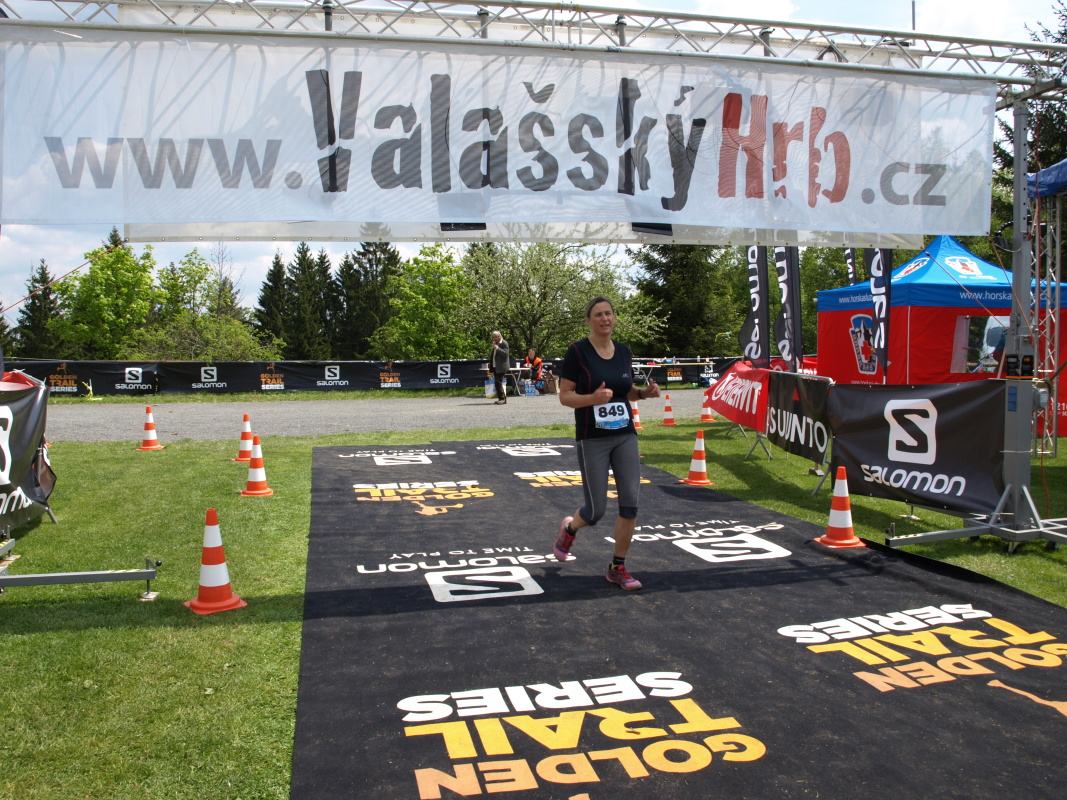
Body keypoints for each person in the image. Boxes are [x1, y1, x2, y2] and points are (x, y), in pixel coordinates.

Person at [551, 296, 660, 591]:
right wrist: (592, 399)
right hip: (592, 438)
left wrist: (644, 393)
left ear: (614, 317)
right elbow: (565, 396)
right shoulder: (577, 351)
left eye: (608, 313)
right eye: (598, 314)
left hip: (625, 435)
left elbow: (625, 391)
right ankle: (570, 528)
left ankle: (617, 567)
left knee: (630, 505)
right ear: (588, 321)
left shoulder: (624, 351)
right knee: (595, 511)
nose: (604, 319)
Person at [490, 331, 510, 404]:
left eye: (495, 337)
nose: (494, 339)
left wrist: (497, 348)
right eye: (493, 337)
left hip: (502, 366)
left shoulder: (504, 343)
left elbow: (506, 354)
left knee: (498, 382)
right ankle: (501, 398)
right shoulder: (495, 343)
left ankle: (502, 399)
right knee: (497, 383)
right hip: (496, 366)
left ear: (499, 336)